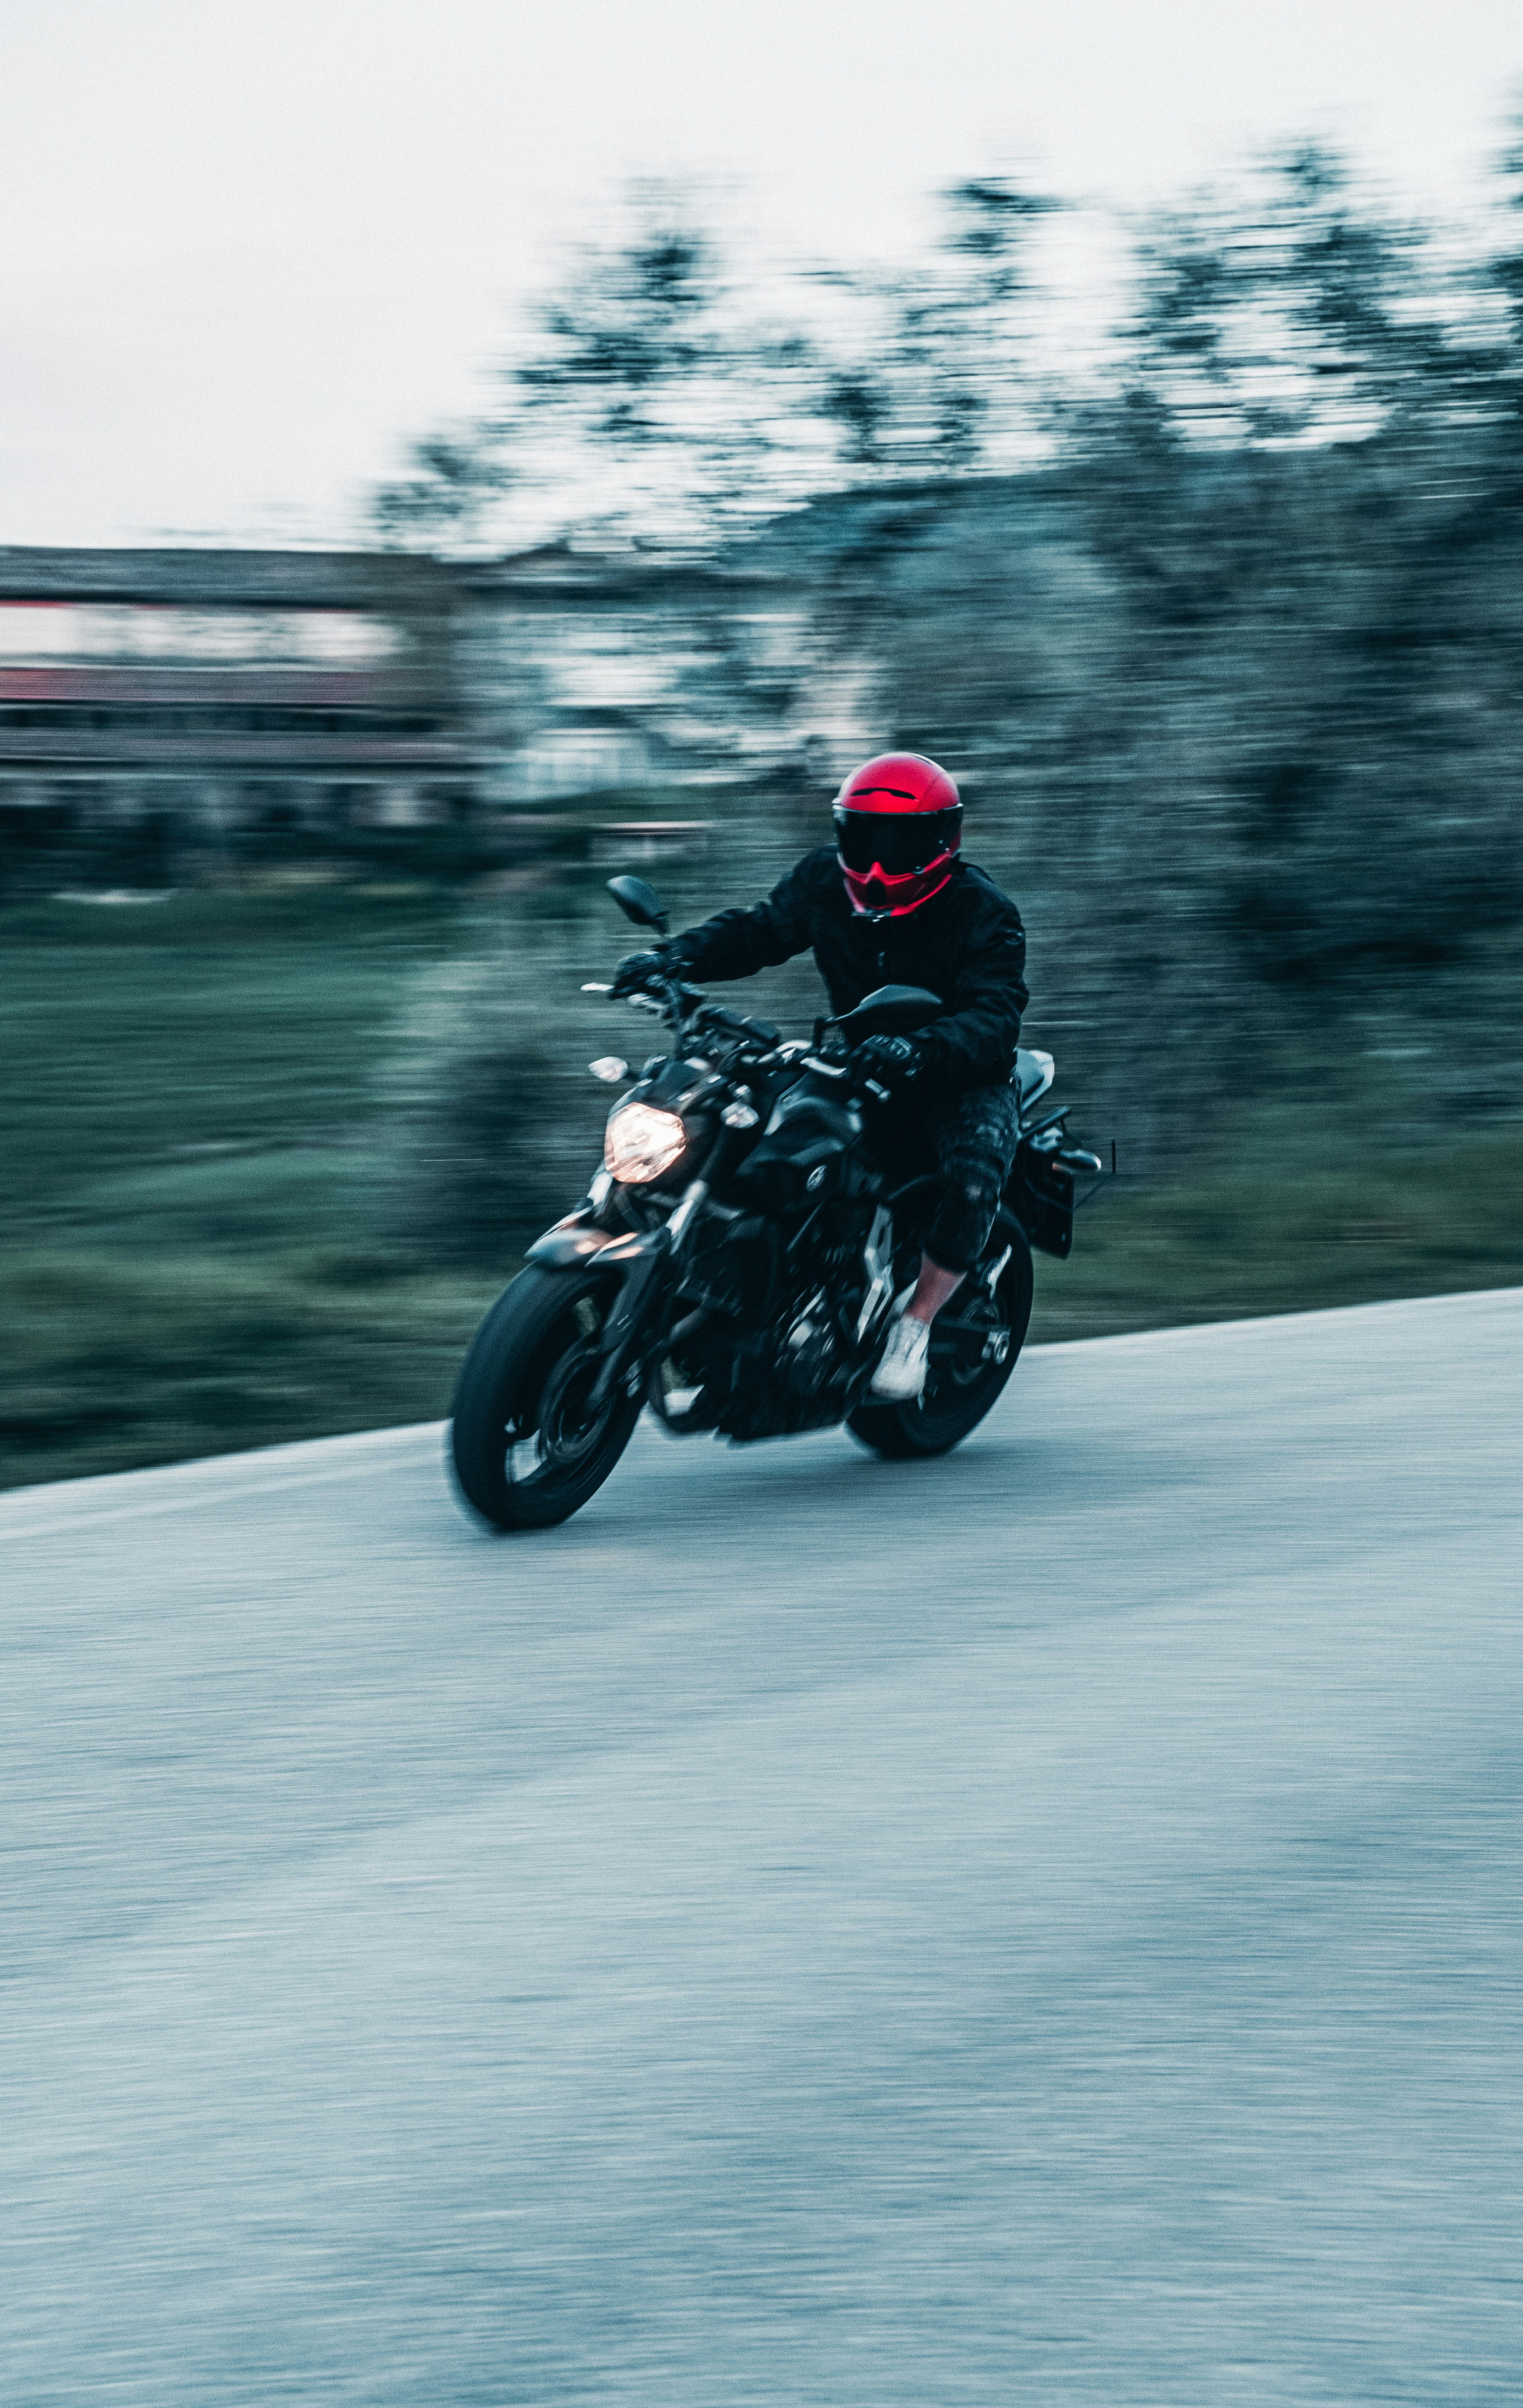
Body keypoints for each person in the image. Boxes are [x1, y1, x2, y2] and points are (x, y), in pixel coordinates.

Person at [612, 752, 1030, 1403]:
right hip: (860, 1064)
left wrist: (918, 1048)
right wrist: (671, 960)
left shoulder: (984, 912)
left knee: (974, 1177)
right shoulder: (824, 881)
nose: (879, 863)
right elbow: (759, 931)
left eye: (901, 843)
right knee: (748, 1141)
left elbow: (993, 1018)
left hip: (957, 1076)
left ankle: (915, 1326)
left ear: (942, 843)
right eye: (865, 837)